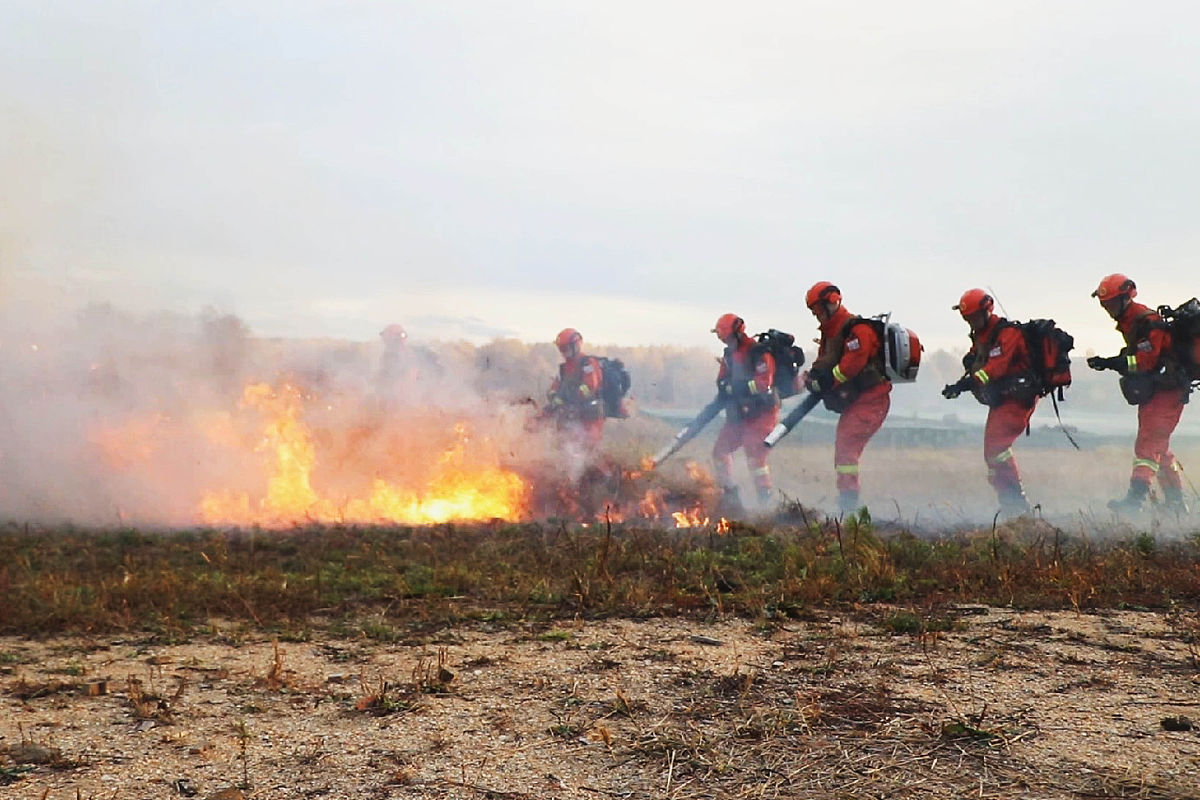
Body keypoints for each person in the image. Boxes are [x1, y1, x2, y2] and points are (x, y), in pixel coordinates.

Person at [1086, 274, 1190, 513]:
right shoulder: (1131, 321)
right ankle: (1176, 504)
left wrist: (1114, 362)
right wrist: (1113, 361)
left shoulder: (1146, 322)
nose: (1108, 309)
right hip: (1158, 390)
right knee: (1159, 448)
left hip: (1167, 391)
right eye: (1104, 305)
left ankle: (1135, 501)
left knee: (1147, 445)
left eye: (1110, 304)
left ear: (1126, 298)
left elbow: (1145, 361)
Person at [941, 289, 1037, 514]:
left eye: (973, 317)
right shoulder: (983, 334)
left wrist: (965, 385)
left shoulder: (1007, 334)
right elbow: (980, 359)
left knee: (997, 448)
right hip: (1002, 400)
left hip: (1017, 399)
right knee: (991, 452)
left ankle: (1017, 502)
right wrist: (965, 372)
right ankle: (1008, 502)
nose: (970, 322)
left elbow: (995, 368)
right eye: (967, 319)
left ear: (986, 311)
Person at [803, 282, 892, 514]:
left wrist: (826, 382)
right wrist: (811, 378)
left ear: (831, 303)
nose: (816, 316)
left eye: (818, 311)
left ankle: (849, 507)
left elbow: (850, 366)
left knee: (846, 451)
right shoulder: (830, 333)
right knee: (844, 450)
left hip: (872, 400)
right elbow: (825, 362)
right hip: (857, 402)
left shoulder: (857, 330)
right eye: (814, 313)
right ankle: (847, 504)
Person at [711, 313, 779, 512]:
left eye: (728, 338)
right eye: (722, 339)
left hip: (762, 413)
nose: (726, 342)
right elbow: (722, 380)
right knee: (719, 451)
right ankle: (731, 497)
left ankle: (765, 502)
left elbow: (763, 382)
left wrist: (737, 387)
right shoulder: (729, 356)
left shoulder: (758, 353)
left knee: (755, 456)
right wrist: (727, 386)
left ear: (738, 334)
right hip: (739, 414)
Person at [546, 328, 606, 449]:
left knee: (587, 451)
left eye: (565, 349)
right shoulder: (563, 368)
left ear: (576, 346)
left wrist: (569, 400)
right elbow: (554, 387)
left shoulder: (588, 364)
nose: (563, 353)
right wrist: (554, 399)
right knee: (564, 445)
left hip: (589, 416)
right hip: (570, 415)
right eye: (561, 349)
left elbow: (589, 387)